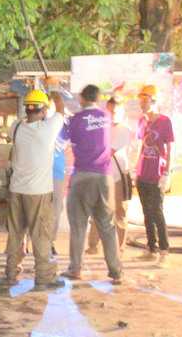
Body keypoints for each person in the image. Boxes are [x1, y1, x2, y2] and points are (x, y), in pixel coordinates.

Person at [62, 84, 122, 283]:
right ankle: (116, 271)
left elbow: (62, 139)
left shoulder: (75, 120)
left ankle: (75, 269)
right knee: (107, 226)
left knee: (78, 225)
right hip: (105, 176)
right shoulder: (106, 117)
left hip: (82, 176)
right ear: (98, 98)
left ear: (81, 98)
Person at [5, 90, 65, 288]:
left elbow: (25, 119)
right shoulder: (47, 129)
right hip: (38, 192)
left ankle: (11, 273)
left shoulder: (15, 127)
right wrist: (54, 93)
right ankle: (44, 277)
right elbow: (61, 110)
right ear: (44, 109)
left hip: (16, 190)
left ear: (27, 109)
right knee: (41, 234)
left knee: (15, 233)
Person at [86, 96, 133, 254]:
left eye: (115, 111)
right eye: (109, 111)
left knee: (119, 212)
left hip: (118, 177)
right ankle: (93, 245)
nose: (112, 114)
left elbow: (106, 152)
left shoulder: (124, 130)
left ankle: (119, 247)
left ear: (121, 112)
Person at [135, 85, 174, 267]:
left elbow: (170, 148)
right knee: (146, 212)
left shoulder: (165, 121)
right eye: (140, 100)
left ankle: (164, 251)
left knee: (157, 212)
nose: (142, 104)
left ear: (154, 100)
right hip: (142, 173)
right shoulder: (141, 122)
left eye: (145, 100)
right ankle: (151, 248)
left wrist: (166, 173)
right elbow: (139, 147)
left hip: (157, 174)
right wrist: (135, 170)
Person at [50, 120, 69, 257]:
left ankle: (50, 242)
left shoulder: (65, 127)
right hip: (40, 173)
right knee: (34, 207)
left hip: (57, 174)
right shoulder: (42, 124)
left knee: (56, 209)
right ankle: (25, 242)